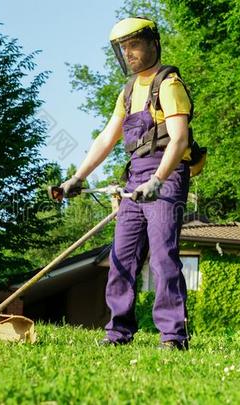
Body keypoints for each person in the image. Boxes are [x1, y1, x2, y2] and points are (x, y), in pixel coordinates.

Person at [60, 17, 193, 350]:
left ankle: (173, 336)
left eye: (134, 45)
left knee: (163, 258)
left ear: (153, 44)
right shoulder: (129, 90)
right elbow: (107, 136)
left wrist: (158, 181)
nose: (129, 53)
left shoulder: (169, 84)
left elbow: (178, 140)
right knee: (122, 257)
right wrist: (78, 177)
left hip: (166, 175)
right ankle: (118, 332)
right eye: (124, 48)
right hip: (135, 178)